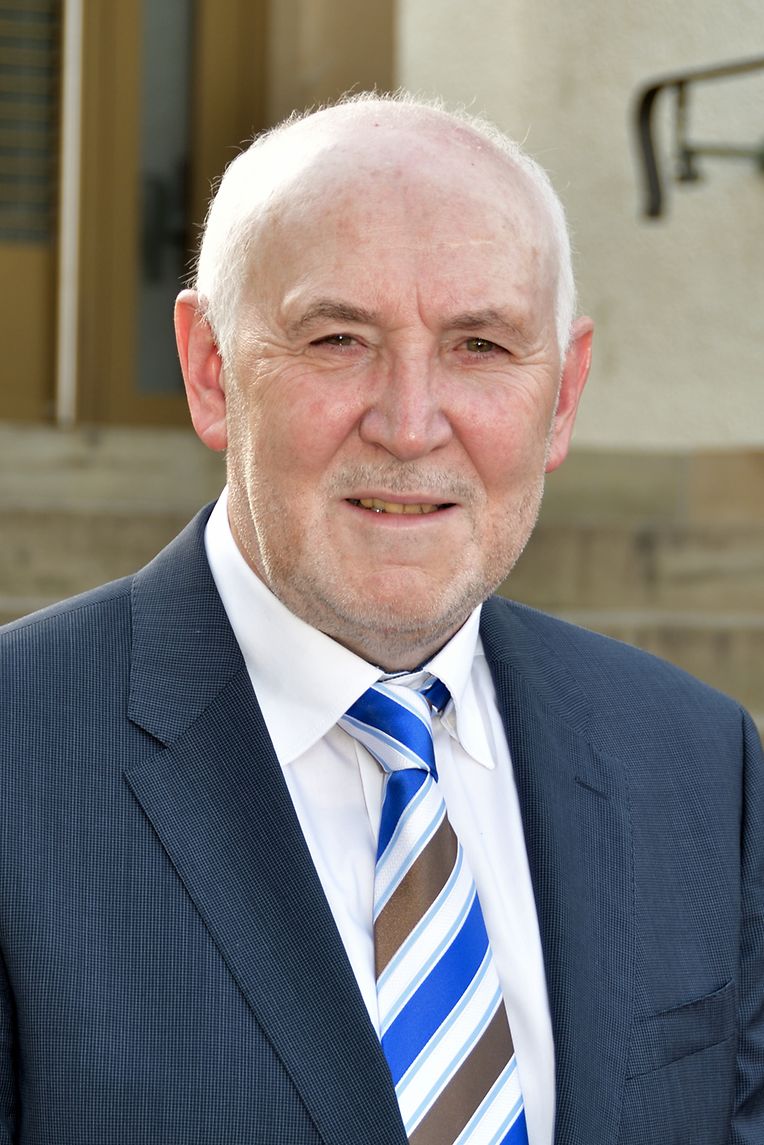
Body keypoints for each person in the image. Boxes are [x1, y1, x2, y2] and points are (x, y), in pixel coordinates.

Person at [0, 93, 761, 1145]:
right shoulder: (18, 754)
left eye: (480, 345)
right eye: (337, 338)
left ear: (563, 394)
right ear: (211, 370)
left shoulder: (696, 762)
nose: (409, 425)